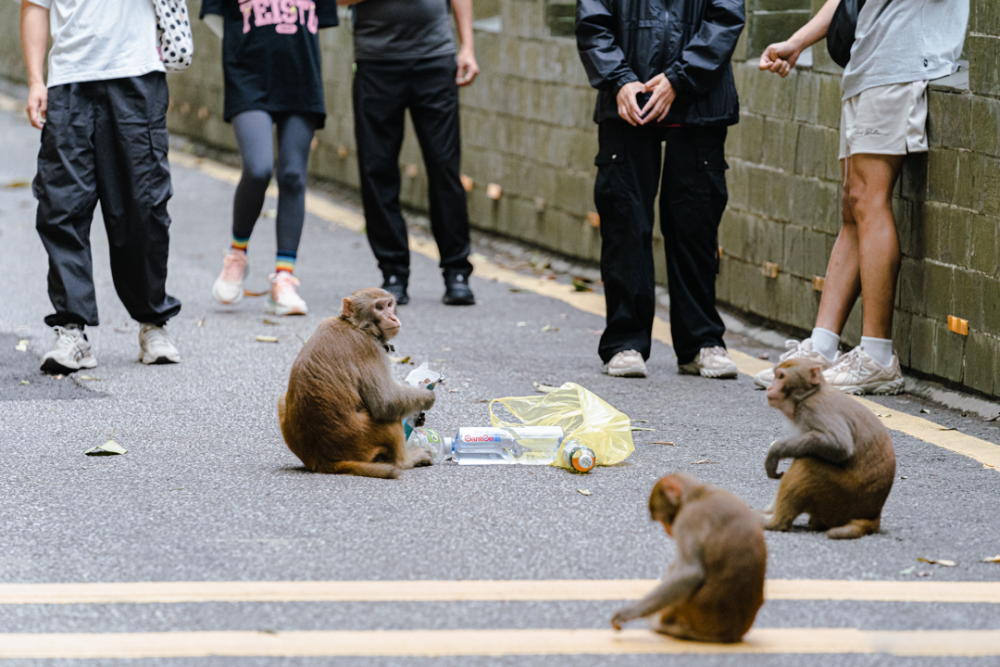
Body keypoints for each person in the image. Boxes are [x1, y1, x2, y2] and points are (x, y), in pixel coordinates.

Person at [756, 0, 969, 395]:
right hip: (868, 65)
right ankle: (822, 347)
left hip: (904, 62)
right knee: (853, 202)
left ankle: (877, 356)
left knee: (870, 199)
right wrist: (798, 41)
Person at [576, 0, 745, 379]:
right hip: (627, 105)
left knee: (696, 225)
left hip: (700, 103)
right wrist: (619, 79)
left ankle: (701, 342)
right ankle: (625, 342)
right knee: (625, 222)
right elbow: (592, 21)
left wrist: (679, 78)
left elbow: (726, 16)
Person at [20, 0, 182, 373]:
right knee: (61, 205)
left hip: (137, 75)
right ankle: (71, 329)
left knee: (144, 205)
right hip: (69, 82)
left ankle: (153, 321)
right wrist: (35, 80)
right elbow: (34, 5)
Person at [203, 0, 339, 317]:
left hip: (302, 79)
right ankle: (236, 255)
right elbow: (213, 16)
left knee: (293, 176)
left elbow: (322, 21)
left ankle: (284, 279)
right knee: (258, 168)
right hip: (249, 78)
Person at [339, 0, 478, 306]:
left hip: (435, 59)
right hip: (376, 62)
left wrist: (467, 46)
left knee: (444, 166)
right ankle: (393, 273)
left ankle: (456, 272)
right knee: (377, 168)